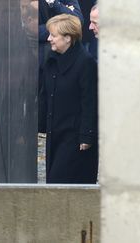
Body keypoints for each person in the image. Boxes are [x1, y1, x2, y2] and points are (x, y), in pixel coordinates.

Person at [38, 14, 98, 183]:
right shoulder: (51, 59)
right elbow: (45, 95)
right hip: (55, 131)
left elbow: (90, 102)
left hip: (74, 137)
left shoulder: (86, 63)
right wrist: (40, 123)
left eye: (53, 35)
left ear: (68, 38)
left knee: (62, 180)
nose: (49, 39)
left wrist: (87, 135)